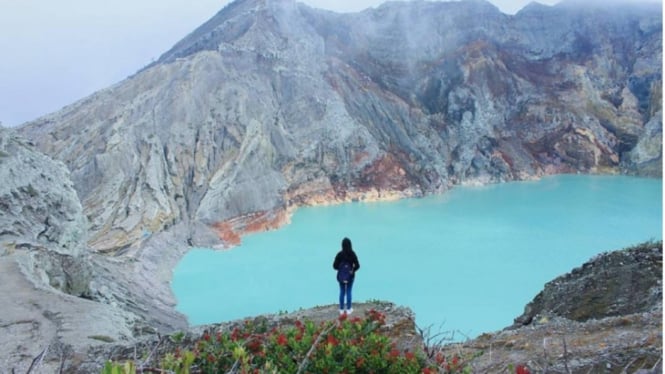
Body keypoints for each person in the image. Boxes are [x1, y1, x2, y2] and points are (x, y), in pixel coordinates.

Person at [333, 237, 360, 315]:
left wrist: (341, 269)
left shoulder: (339, 254)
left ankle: (341, 309)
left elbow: (334, 266)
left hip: (341, 277)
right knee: (349, 291)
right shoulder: (352, 254)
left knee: (342, 291)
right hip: (350, 276)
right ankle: (348, 309)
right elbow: (358, 265)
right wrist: (352, 270)